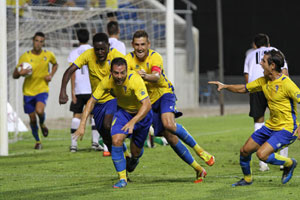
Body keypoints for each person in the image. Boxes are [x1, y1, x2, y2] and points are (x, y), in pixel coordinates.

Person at [126, 30, 215, 183]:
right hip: (146, 102)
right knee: (169, 136)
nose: (140, 48)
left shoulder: (155, 57)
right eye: (137, 45)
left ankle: (201, 151)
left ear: (148, 44)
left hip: (164, 93)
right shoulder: (127, 60)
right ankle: (198, 169)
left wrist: (144, 76)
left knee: (169, 124)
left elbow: (157, 76)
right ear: (132, 45)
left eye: (143, 44)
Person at [209, 49, 299, 186]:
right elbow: (244, 88)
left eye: (263, 61)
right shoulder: (264, 81)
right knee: (244, 151)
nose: (260, 64)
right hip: (270, 126)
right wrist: (225, 86)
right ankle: (247, 179)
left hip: (286, 129)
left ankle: (290, 163)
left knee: (262, 155)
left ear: (272, 66)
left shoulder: (287, 84)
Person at [73, 57, 152, 188]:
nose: (119, 76)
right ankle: (122, 179)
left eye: (122, 73)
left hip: (142, 115)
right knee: (115, 140)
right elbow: (91, 102)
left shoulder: (135, 80)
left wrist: (133, 121)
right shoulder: (107, 81)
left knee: (136, 151)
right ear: (111, 72)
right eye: (116, 73)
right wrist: (82, 125)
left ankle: (135, 158)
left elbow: (147, 105)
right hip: (123, 113)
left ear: (127, 71)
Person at [59, 32, 126, 157]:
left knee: (107, 125)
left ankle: (121, 156)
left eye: (102, 49)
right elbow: (69, 71)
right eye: (97, 49)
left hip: (113, 98)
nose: (100, 52)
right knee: (104, 134)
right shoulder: (88, 55)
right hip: (97, 100)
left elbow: (129, 70)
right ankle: (121, 152)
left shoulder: (115, 56)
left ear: (108, 46)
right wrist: (63, 91)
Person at [244, 33, 289, 171]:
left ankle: (263, 164)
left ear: (254, 45)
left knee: (259, 121)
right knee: (283, 121)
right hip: (275, 86)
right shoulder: (276, 52)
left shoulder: (251, 54)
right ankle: (284, 162)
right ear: (268, 44)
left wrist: (251, 90)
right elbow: (284, 72)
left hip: (257, 87)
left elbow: (247, 76)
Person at [13, 32, 58, 149]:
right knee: (32, 119)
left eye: (41, 41)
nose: (38, 43)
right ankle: (38, 141)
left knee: (39, 111)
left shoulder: (48, 55)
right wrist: (19, 72)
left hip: (42, 89)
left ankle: (42, 123)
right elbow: (14, 75)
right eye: (36, 40)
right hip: (28, 92)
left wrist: (51, 75)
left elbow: (55, 64)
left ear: (44, 43)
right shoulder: (25, 57)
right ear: (33, 41)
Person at [67, 29, 104, 152]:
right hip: (92, 89)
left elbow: (72, 73)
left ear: (77, 38)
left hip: (78, 89)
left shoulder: (74, 52)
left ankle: (74, 145)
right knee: (94, 115)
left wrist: (72, 91)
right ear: (89, 38)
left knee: (76, 115)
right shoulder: (94, 50)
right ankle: (95, 142)